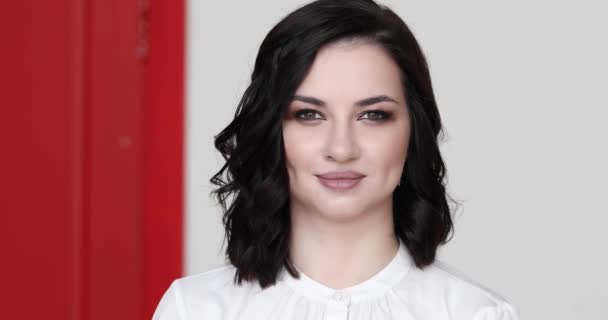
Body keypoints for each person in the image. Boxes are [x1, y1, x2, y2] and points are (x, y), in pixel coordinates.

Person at [153, 0, 519, 319]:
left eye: (373, 115)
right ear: (271, 131)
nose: (341, 149)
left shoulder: (474, 314)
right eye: (309, 115)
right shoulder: (195, 310)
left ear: (413, 131)